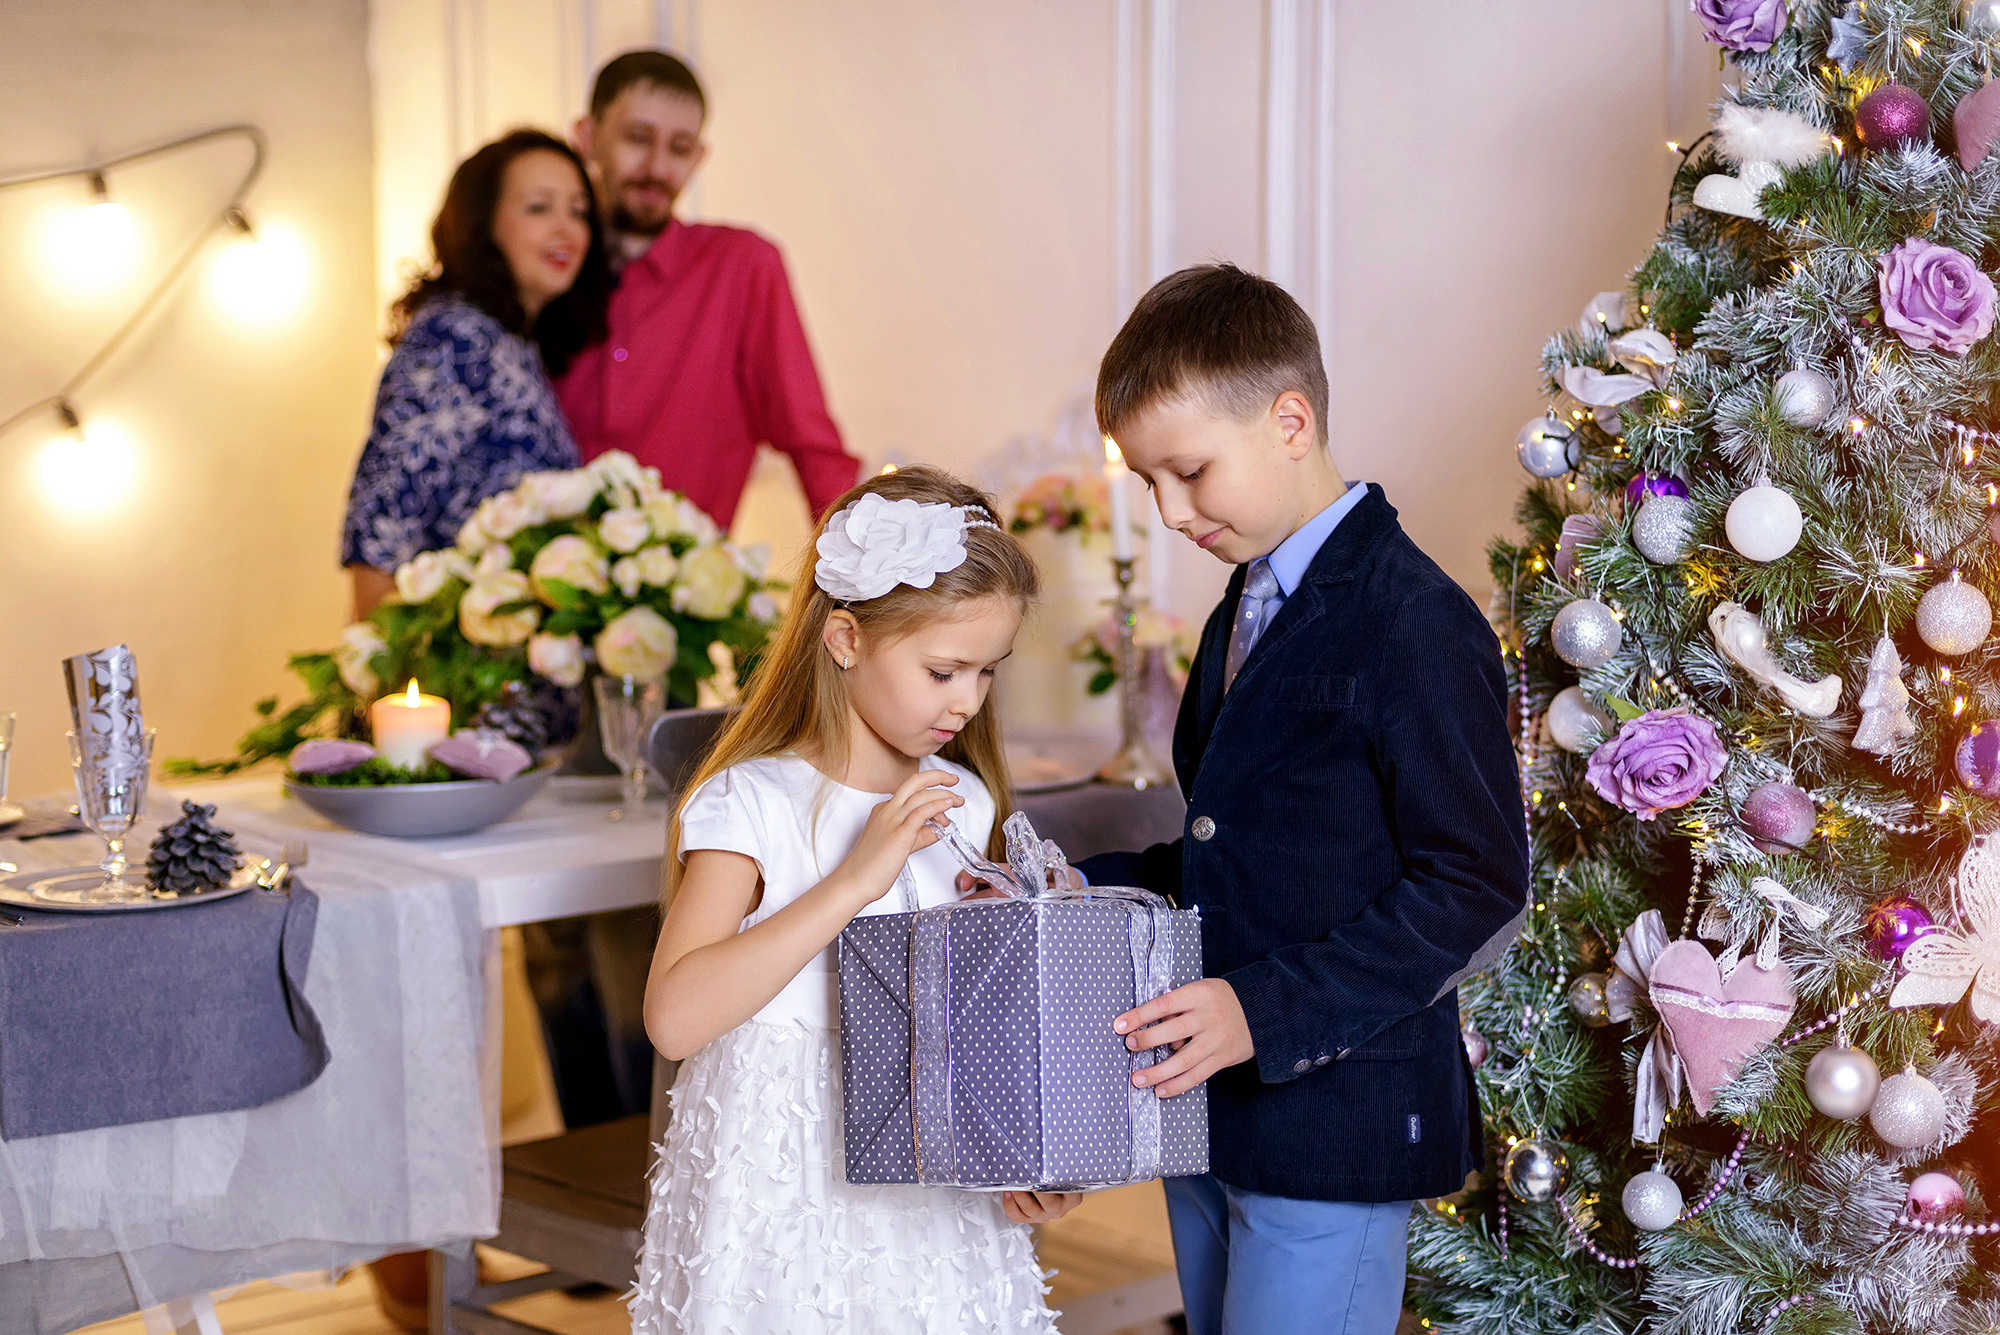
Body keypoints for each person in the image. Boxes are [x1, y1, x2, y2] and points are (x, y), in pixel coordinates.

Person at [1072, 265, 1531, 1335]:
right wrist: (1072, 888)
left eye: (1187, 471)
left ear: (1289, 420)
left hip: (1333, 1118)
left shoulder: (1412, 618)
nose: (1169, 512)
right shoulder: (1238, 610)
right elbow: (1229, 854)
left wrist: (1258, 1013)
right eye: (1148, 483)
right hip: (1210, 1112)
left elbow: (1475, 885)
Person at [630, 466, 1076, 1333]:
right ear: (845, 639)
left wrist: (1027, 1152)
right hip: (781, 1198)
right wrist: (852, 882)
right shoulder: (751, 803)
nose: (966, 701)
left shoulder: (965, 800)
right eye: (943, 669)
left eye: (988, 672)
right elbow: (674, 1020)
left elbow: (983, 1019)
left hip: (934, 1198)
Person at [559, 49, 860, 529]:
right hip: (533, 588)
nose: (658, 167)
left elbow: (814, 446)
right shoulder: (546, 266)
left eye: (679, 148)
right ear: (587, 137)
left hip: (688, 594)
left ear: (699, 157)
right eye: (638, 138)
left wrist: (869, 586)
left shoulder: (742, 268)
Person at [342, 128, 611, 618]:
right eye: (539, 207)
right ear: (483, 223)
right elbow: (382, 529)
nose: (566, 229)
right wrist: (387, 684)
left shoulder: (513, 343)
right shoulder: (453, 337)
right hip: (451, 679)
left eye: (578, 211)